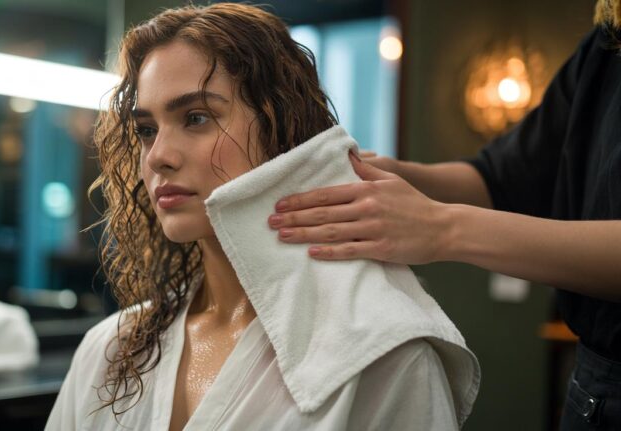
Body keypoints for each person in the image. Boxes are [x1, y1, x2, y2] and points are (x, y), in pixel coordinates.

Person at [47, 4, 479, 430]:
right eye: (147, 130)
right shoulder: (110, 350)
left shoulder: (382, 360)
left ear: (282, 131)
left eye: (196, 118)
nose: (158, 156)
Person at [268, 1, 621, 429]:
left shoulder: (401, 354)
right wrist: (393, 175)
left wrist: (441, 227)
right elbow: (502, 177)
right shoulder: (606, 45)